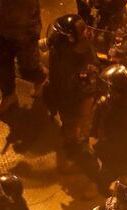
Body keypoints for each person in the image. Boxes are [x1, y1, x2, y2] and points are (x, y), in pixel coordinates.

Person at [42, 14, 101, 179]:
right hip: (73, 103)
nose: (87, 32)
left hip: (60, 96)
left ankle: (66, 153)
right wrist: (85, 120)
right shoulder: (84, 65)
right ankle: (68, 161)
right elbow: (88, 97)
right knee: (74, 131)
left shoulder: (58, 48)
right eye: (83, 30)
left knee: (68, 128)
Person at [91, 64, 127, 188]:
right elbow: (95, 125)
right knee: (108, 171)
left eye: (112, 88)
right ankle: (103, 187)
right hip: (110, 145)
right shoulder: (104, 104)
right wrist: (95, 139)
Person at [0, 0, 46, 114]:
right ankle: (9, 96)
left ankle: (39, 83)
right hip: (3, 26)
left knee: (29, 67)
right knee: (2, 66)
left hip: (26, 30)